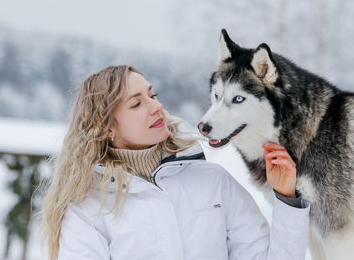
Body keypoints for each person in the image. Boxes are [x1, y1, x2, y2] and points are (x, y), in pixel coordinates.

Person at [41, 65, 310, 260]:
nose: (156, 107)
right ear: (107, 127)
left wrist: (286, 198)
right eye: (136, 104)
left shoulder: (212, 181)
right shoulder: (88, 209)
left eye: (152, 95)